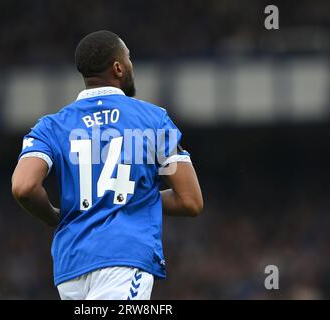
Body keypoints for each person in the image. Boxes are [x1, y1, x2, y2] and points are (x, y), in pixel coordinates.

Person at [11, 30, 203, 300]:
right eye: (129, 58)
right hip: (123, 258)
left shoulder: (51, 126)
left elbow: (23, 186)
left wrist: (54, 217)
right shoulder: (153, 120)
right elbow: (190, 200)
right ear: (118, 67)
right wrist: (134, 197)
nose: (131, 64)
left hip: (71, 266)